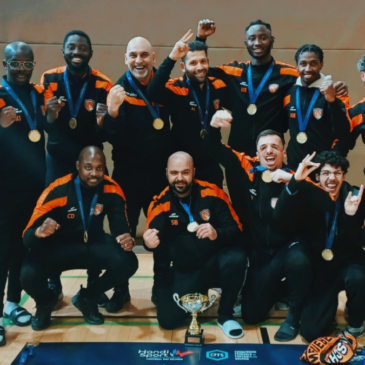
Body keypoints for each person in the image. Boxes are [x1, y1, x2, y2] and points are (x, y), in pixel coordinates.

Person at [196, 19, 347, 226]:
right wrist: (201, 39)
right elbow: (200, 70)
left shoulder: (288, 73)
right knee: (241, 205)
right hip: (240, 155)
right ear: (246, 42)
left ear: (272, 41)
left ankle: (275, 251)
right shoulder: (234, 70)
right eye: (252, 38)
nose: (258, 42)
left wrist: (335, 86)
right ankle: (246, 255)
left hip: (270, 155)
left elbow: (311, 74)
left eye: (263, 37)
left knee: (274, 207)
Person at [205, 110, 329, 341]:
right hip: (263, 253)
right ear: (256, 153)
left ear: (284, 151)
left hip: (291, 248)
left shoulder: (296, 174)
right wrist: (212, 126)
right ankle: (280, 290)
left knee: (298, 259)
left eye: (275, 147)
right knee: (251, 315)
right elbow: (214, 149)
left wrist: (295, 182)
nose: (269, 151)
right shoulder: (248, 168)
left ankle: (293, 317)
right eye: (263, 148)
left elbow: (326, 201)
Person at [21, 146, 138, 331]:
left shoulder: (112, 189)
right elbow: (27, 238)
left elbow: (120, 229)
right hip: (57, 248)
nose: (94, 173)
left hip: (92, 245)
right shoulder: (56, 190)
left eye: (100, 168)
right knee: (27, 274)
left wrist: (126, 239)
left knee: (128, 261)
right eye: (88, 167)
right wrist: (38, 232)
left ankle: (87, 297)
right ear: (78, 166)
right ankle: (45, 302)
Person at [40, 30, 113, 301]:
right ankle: (53, 282)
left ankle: (92, 282)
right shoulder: (49, 78)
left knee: (93, 218)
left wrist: (103, 123)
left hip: (90, 165)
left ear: (91, 53)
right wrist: (51, 115)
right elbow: (44, 124)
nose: (77, 52)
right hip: (58, 161)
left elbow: (106, 136)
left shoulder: (103, 84)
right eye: (71, 47)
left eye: (83, 48)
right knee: (54, 218)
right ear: (63, 51)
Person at [143, 152, 246, 339]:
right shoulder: (159, 203)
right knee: (167, 321)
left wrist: (217, 233)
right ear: (167, 173)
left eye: (185, 172)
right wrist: (148, 243)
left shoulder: (213, 193)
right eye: (174, 173)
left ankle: (225, 315)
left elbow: (236, 228)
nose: (180, 178)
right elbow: (155, 245)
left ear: (194, 172)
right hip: (186, 271)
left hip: (214, 265)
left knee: (237, 257)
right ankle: (198, 292)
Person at [102, 37, 171, 311]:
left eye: (144, 55)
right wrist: (112, 110)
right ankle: (121, 291)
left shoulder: (165, 87)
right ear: (125, 58)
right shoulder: (117, 89)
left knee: (162, 235)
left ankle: (161, 288)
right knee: (124, 236)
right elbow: (109, 137)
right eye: (133, 55)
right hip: (127, 178)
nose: (139, 61)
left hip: (159, 178)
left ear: (154, 57)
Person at [274, 151, 365, 341]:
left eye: (337, 173)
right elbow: (280, 218)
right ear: (317, 177)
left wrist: (350, 217)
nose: (332, 178)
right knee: (312, 332)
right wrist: (295, 180)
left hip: (347, 264)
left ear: (344, 176)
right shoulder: (308, 196)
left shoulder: (356, 197)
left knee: (358, 276)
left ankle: (356, 321)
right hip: (321, 271)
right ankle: (313, 313)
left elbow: (359, 242)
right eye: (326, 173)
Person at [0, 42, 47, 346]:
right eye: (15, 63)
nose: (21, 69)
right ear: (4, 63)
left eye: (27, 64)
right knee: (1, 253)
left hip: (33, 186)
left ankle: (12, 303)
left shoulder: (37, 93)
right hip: (3, 188)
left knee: (21, 248)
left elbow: (41, 131)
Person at [146, 30, 229, 188]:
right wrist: (171, 58)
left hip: (210, 166)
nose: (199, 67)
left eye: (203, 61)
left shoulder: (218, 86)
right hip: (182, 169)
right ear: (183, 66)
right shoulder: (177, 88)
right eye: (193, 63)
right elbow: (152, 91)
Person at [283, 44, 350, 170]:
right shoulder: (290, 92)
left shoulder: (334, 92)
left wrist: (332, 101)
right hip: (294, 167)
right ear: (297, 66)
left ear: (321, 64)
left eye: (313, 63)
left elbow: (343, 133)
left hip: (322, 169)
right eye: (303, 64)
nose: (308, 69)